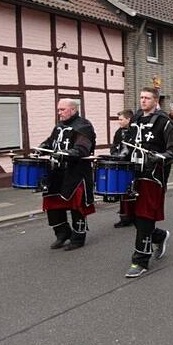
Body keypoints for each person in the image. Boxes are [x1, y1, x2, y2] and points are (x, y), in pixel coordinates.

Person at [123, 87, 173, 277]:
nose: (143, 101)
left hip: (153, 177)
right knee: (132, 216)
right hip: (133, 174)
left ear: (156, 101)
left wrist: (159, 157)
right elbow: (128, 144)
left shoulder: (165, 122)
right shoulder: (136, 119)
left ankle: (140, 260)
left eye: (147, 98)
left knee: (145, 217)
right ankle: (159, 235)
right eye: (141, 97)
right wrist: (121, 154)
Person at [40, 99, 96, 251]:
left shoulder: (83, 126)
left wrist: (66, 154)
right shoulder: (59, 126)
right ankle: (62, 233)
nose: (59, 113)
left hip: (76, 173)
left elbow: (82, 149)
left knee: (76, 206)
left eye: (62, 110)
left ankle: (78, 238)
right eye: (58, 110)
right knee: (52, 204)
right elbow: (51, 142)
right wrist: (42, 148)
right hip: (57, 173)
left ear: (73, 109)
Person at [111, 109, 135, 228]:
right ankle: (124, 216)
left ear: (128, 119)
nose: (119, 122)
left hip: (131, 165)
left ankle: (132, 216)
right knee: (122, 191)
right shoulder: (118, 132)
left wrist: (127, 155)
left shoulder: (134, 131)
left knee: (130, 191)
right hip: (121, 164)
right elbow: (114, 146)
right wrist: (115, 154)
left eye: (121, 119)